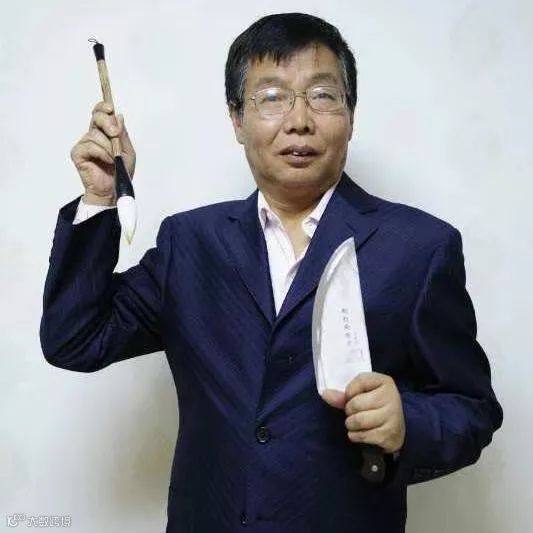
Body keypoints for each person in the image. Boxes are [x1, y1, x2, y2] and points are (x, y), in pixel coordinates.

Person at [40, 12, 503, 533]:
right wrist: (101, 198)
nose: (299, 119)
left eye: (322, 95)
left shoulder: (419, 248)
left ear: (350, 114)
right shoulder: (190, 243)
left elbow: (472, 410)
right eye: (272, 97)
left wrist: (407, 421)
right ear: (237, 119)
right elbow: (75, 339)